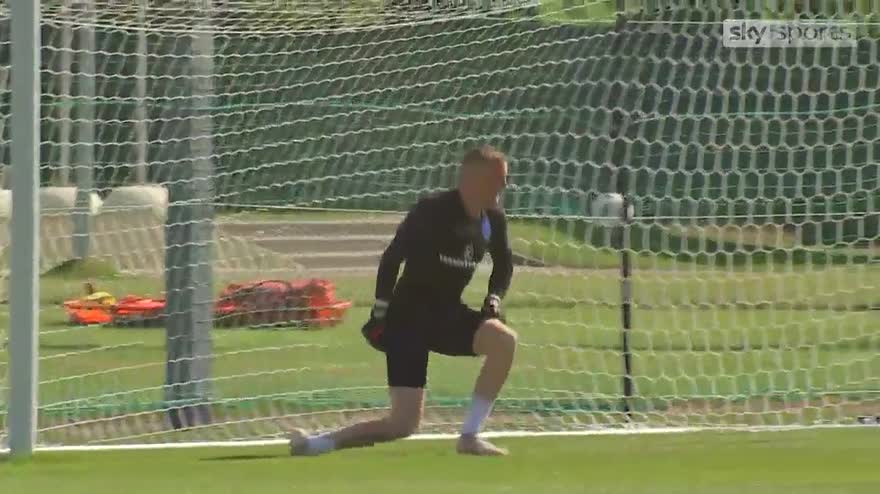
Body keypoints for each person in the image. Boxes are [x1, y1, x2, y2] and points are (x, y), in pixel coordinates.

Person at [288, 145, 517, 457]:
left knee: (503, 341)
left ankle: (470, 436)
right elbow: (392, 258)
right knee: (403, 424)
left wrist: (493, 299)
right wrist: (381, 310)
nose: (504, 186)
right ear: (472, 180)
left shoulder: (494, 219)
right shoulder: (432, 211)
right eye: (497, 179)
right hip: (408, 318)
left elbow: (504, 265)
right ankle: (318, 443)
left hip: (447, 314)